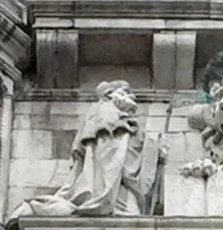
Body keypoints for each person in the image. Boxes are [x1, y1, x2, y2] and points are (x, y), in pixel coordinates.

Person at [26, 81, 160, 218]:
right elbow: (109, 154)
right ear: (109, 95)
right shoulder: (103, 113)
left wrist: (155, 149)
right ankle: (99, 200)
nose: (132, 96)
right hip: (103, 183)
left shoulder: (124, 122)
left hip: (121, 188)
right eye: (125, 92)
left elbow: (130, 155)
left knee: (131, 215)